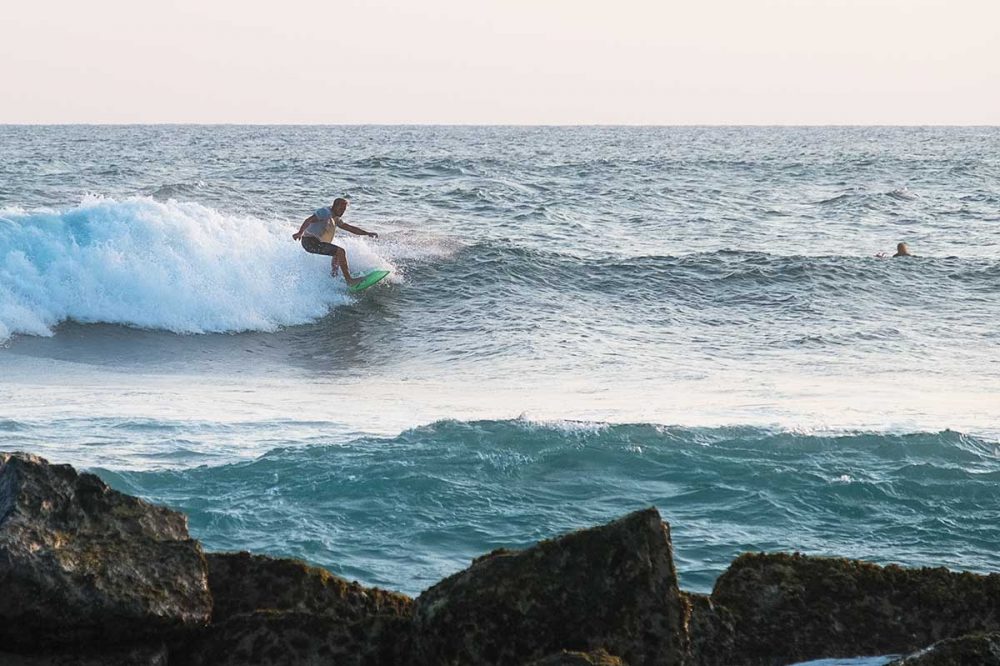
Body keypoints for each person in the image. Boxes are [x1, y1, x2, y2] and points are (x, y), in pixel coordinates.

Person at [292, 198, 377, 286]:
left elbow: (349, 228)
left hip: (315, 242)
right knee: (340, 251)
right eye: (341, 208)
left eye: (344, 209)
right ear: (334, 206)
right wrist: (300, 232)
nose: (342, 211)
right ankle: (349, 280)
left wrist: (367, 233)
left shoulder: (335, 218)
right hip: (309, 242)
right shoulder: (325, 212)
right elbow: (308, 220)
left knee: (337, 254)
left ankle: (334, 276)